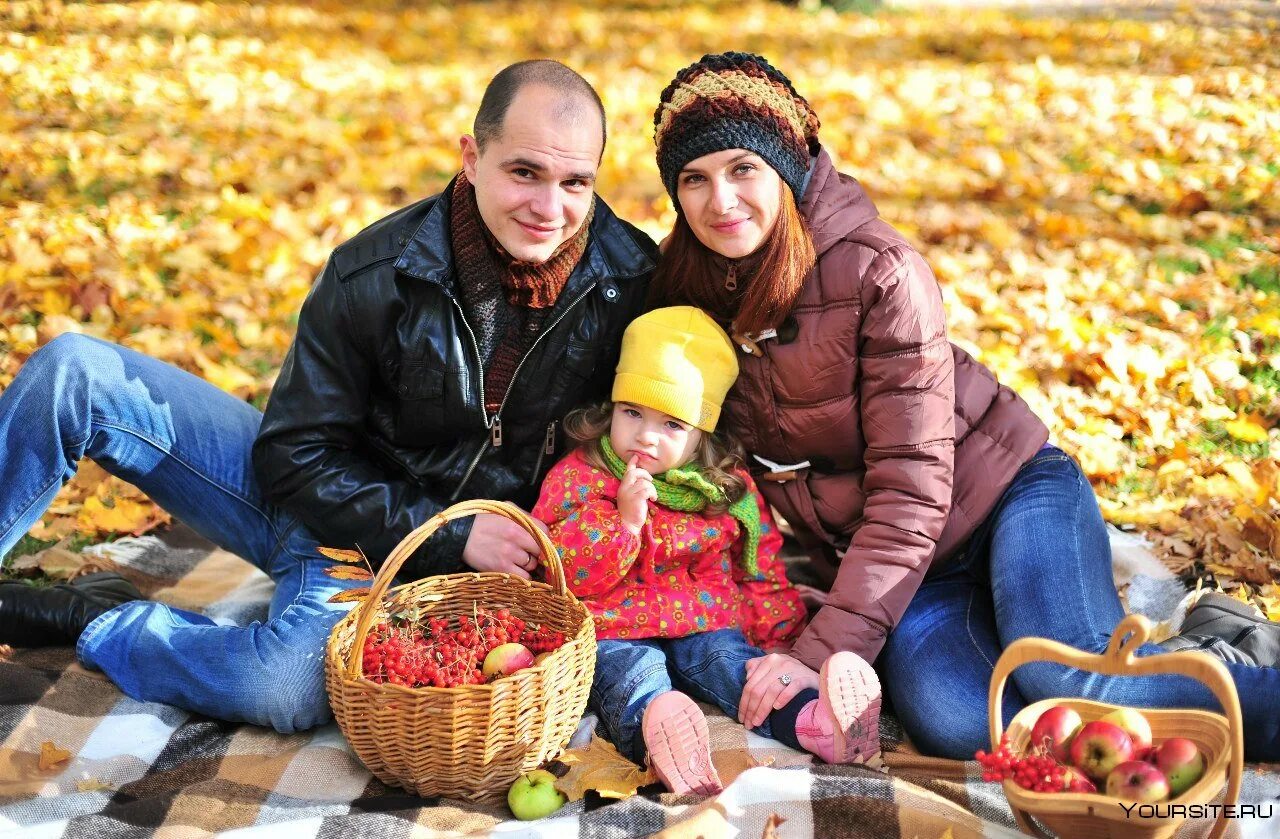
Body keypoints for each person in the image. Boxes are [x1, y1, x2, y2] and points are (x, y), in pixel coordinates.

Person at [646, 51, 1280, 761]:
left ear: (786, 169)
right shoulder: (687, 293)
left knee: (1068, 683)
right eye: (693, 180)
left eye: (742, 170)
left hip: (1009, 495)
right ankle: (1192, 657)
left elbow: (912, 488)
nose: (719, 201)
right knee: (964, 722)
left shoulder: (880, 271)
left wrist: (822, 647)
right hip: (909, 569)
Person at [0, 59, 658, 733]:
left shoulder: (631, 282)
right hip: (329, 503)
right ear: (472, 157)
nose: (550, 208)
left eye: (575, 182)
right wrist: (451, 529)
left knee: (283, 687)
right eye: (525, 172)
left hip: (398, 579)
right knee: (74, 372)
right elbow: (291, 453)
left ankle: (96, 616)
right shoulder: (372, 273)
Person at [532, 306, 882, 795]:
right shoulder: (582, 476)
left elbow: (759, 571)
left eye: (672, 425)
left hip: (706, 621)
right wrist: (623, 522)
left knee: (734, 666)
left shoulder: (726, 491)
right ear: (611, 409)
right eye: (632, 413)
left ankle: (816, 723)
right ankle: (663, 738)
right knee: (631, 676)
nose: (646, 436)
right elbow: (561, 571)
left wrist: (782, 645)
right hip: (613, 625)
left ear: (702, 435)